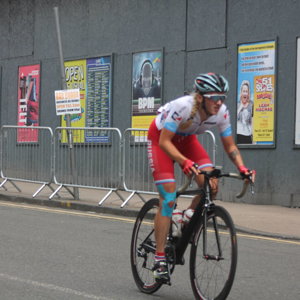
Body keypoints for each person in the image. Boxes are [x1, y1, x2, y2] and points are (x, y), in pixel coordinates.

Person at [147, 73, 255, 284]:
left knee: (211, 185)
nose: (219, 102)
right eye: (215, 97)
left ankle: (186, 216)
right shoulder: (183, 107)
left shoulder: (221, 112)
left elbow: (230, 145)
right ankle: (160, 259)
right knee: (168, 198)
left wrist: (242, 168)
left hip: (187, 140)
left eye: (222, 97)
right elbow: (165, 142)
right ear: (201, 98)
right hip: (161, 140)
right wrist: (184, 162)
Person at [237, 80, 253, 144]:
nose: (245, 93)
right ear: (241, 92)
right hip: (238, 135)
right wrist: (240, 107)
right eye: (244, 91)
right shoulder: (237, 105)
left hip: (248, 135)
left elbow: (253, 121)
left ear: (248, 93)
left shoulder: (251, 105)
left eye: (246, 91)